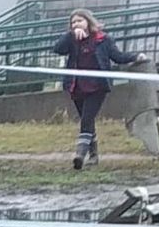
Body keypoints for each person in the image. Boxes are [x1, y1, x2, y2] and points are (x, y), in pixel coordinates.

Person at [53, 10, 145, 171]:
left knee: (87, 119)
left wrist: (135, 57)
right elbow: (58, 49)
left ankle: (80, 155)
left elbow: (118, 57)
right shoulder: (72, 40)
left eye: (79, 21)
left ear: (88, 22)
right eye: (73, 22)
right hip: (77, 86)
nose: (76, 24)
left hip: (97, 87)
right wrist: (71, 35)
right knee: (86, 120)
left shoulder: (104, 40)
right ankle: (94, 155)